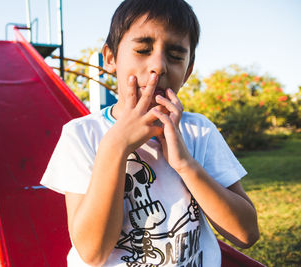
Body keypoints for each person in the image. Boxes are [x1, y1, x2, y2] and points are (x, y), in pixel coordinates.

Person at [41, 0, 259, 266]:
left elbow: (246, 233)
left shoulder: (199, 133)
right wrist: (116, 146)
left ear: (188, 71)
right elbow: (93, 252)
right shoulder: (82, 135)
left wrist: (185, 165)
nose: (158, 66)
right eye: (143, 50)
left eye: (176, 56)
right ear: (110, 58)